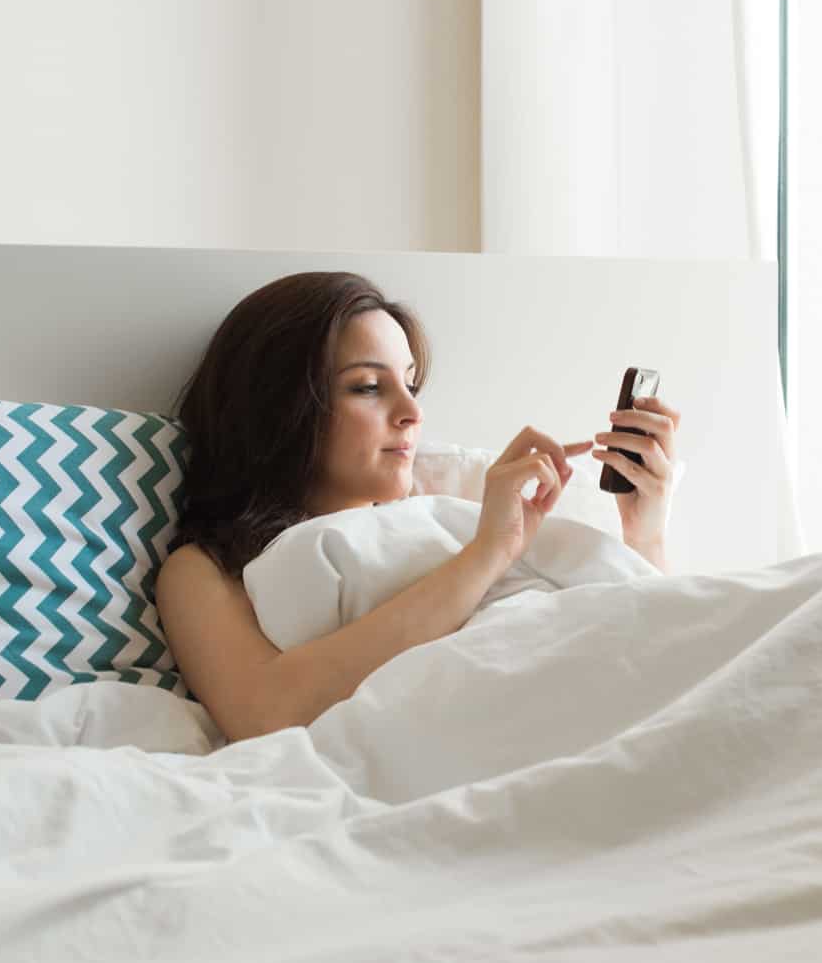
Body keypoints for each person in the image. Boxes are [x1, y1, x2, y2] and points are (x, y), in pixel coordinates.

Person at [155, 271, 683, 744]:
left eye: (410, 384)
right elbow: (266, 713)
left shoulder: (441, 513)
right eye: (367, 387)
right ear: (278, 408)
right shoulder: (205, 571)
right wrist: (487, 554)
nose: (412, 411)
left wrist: (644, 533)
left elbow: (645, 645)